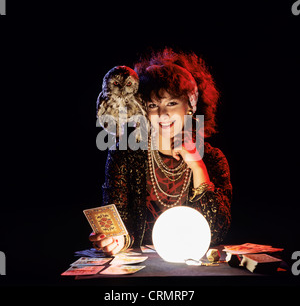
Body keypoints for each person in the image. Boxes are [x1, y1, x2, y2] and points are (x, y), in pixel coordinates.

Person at [90, 48, 232, 255]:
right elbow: (118, 226)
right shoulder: (125, 155)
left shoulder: (212, 158)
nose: (163, 113)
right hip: (141, 272)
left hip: (193, 269)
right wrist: (115, 240)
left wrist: (197, 166)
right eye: (153, 105)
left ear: (190, 106)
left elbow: (218, 233)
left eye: (172, 103)